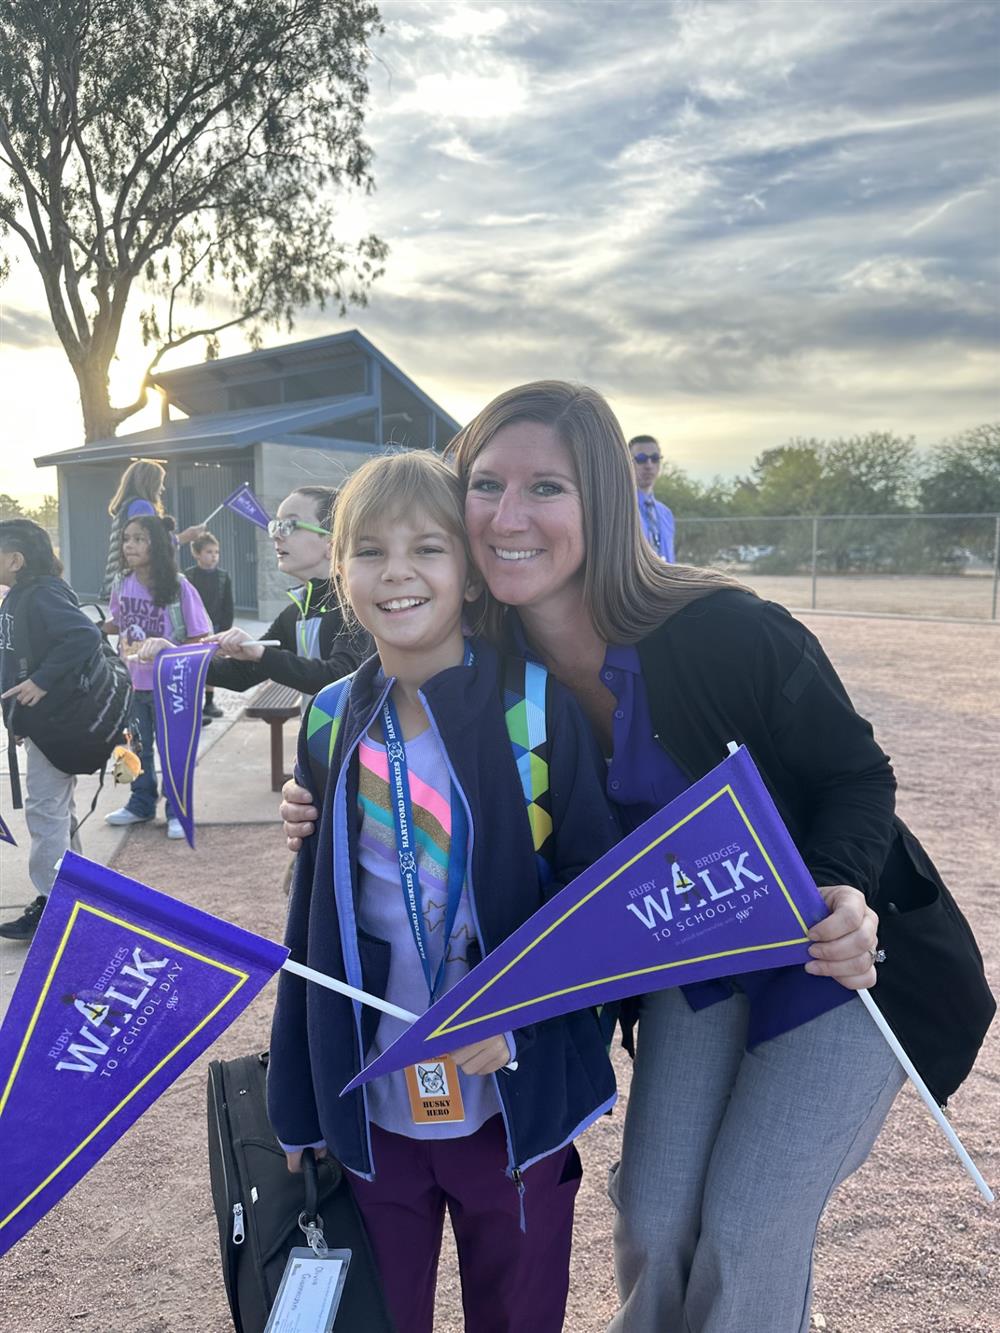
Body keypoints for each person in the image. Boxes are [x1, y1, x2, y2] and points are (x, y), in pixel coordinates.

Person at [282, 382, 992, 1333]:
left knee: (743, 1230)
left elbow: (859, 775)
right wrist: (320, 794)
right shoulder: (495, 675)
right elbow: (421, 762)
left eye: (548, 487)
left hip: (834, 957)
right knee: (655, 1223)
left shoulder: (724, 632)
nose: (510, 514)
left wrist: (845, 886)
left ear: (607, 502)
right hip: (695, 960)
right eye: (487, 484)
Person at [267, 451, 620, 1333]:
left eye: (428, 548)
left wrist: (525, 1018)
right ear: (340, 573)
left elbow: (597, 894)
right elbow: (310, 925)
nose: (398, 573)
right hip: (374, 1102)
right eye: (370, 551)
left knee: (520, 1314)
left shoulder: (534, 709)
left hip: (513, 1101)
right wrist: (297, 1100)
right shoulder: (329, 720)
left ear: (469, 574)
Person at [0, 521, 99, 940]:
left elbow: (83, 635)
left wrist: (41, 681)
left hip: (55, 726)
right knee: (59, 812)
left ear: (15, 560)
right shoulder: (24, 596)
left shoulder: (40, 594)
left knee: (46, 814)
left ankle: (53, 904)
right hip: (42, 726)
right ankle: (77, 898)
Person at [102, 514, 212, 839]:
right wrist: (89, 628)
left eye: (139, 539)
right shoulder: (122, 583)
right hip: (131, 684)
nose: (129, 545)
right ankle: (140, 804)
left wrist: (167, 649)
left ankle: (178, 811)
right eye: (126, 539)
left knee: (172, 750)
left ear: (158, 545)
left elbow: (200, 637)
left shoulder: (179, 587)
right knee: (134, 748)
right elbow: (116, 623)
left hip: (171, 687)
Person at [206, 485, 369, 698]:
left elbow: (340, 678)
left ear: (332, 543)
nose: (276, 536)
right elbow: (241, 674)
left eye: (289, 525)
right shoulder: (294, 613)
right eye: (276, 525)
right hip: (316, 732)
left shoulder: (356, 604)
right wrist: (169, 659)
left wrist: (262, 654)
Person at [101, 458, 204, 597]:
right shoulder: (142, 506)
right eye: (160, 483)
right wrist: (186, 536)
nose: (162, 488)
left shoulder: (125, 506)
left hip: (120, 579)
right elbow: (151, 543)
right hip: (137, 581)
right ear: (150, 483)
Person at [183, 530, 234, 721]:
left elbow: (228, 606)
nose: (214, 556)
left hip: (217, 628)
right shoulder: (188, 577)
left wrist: (225, 632)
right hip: (194, 630)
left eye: (216, 552)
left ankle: (209, 702)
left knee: (210, 666)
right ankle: (192, 707)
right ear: (196, 553)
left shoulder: (223, 577)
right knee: (193, 667)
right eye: (209, 552)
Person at [628, 433, 675, 561]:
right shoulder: (621, 511)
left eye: (655, 458)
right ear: (627, 463)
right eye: (641, 458)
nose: (649, 465)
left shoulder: (666, 514)